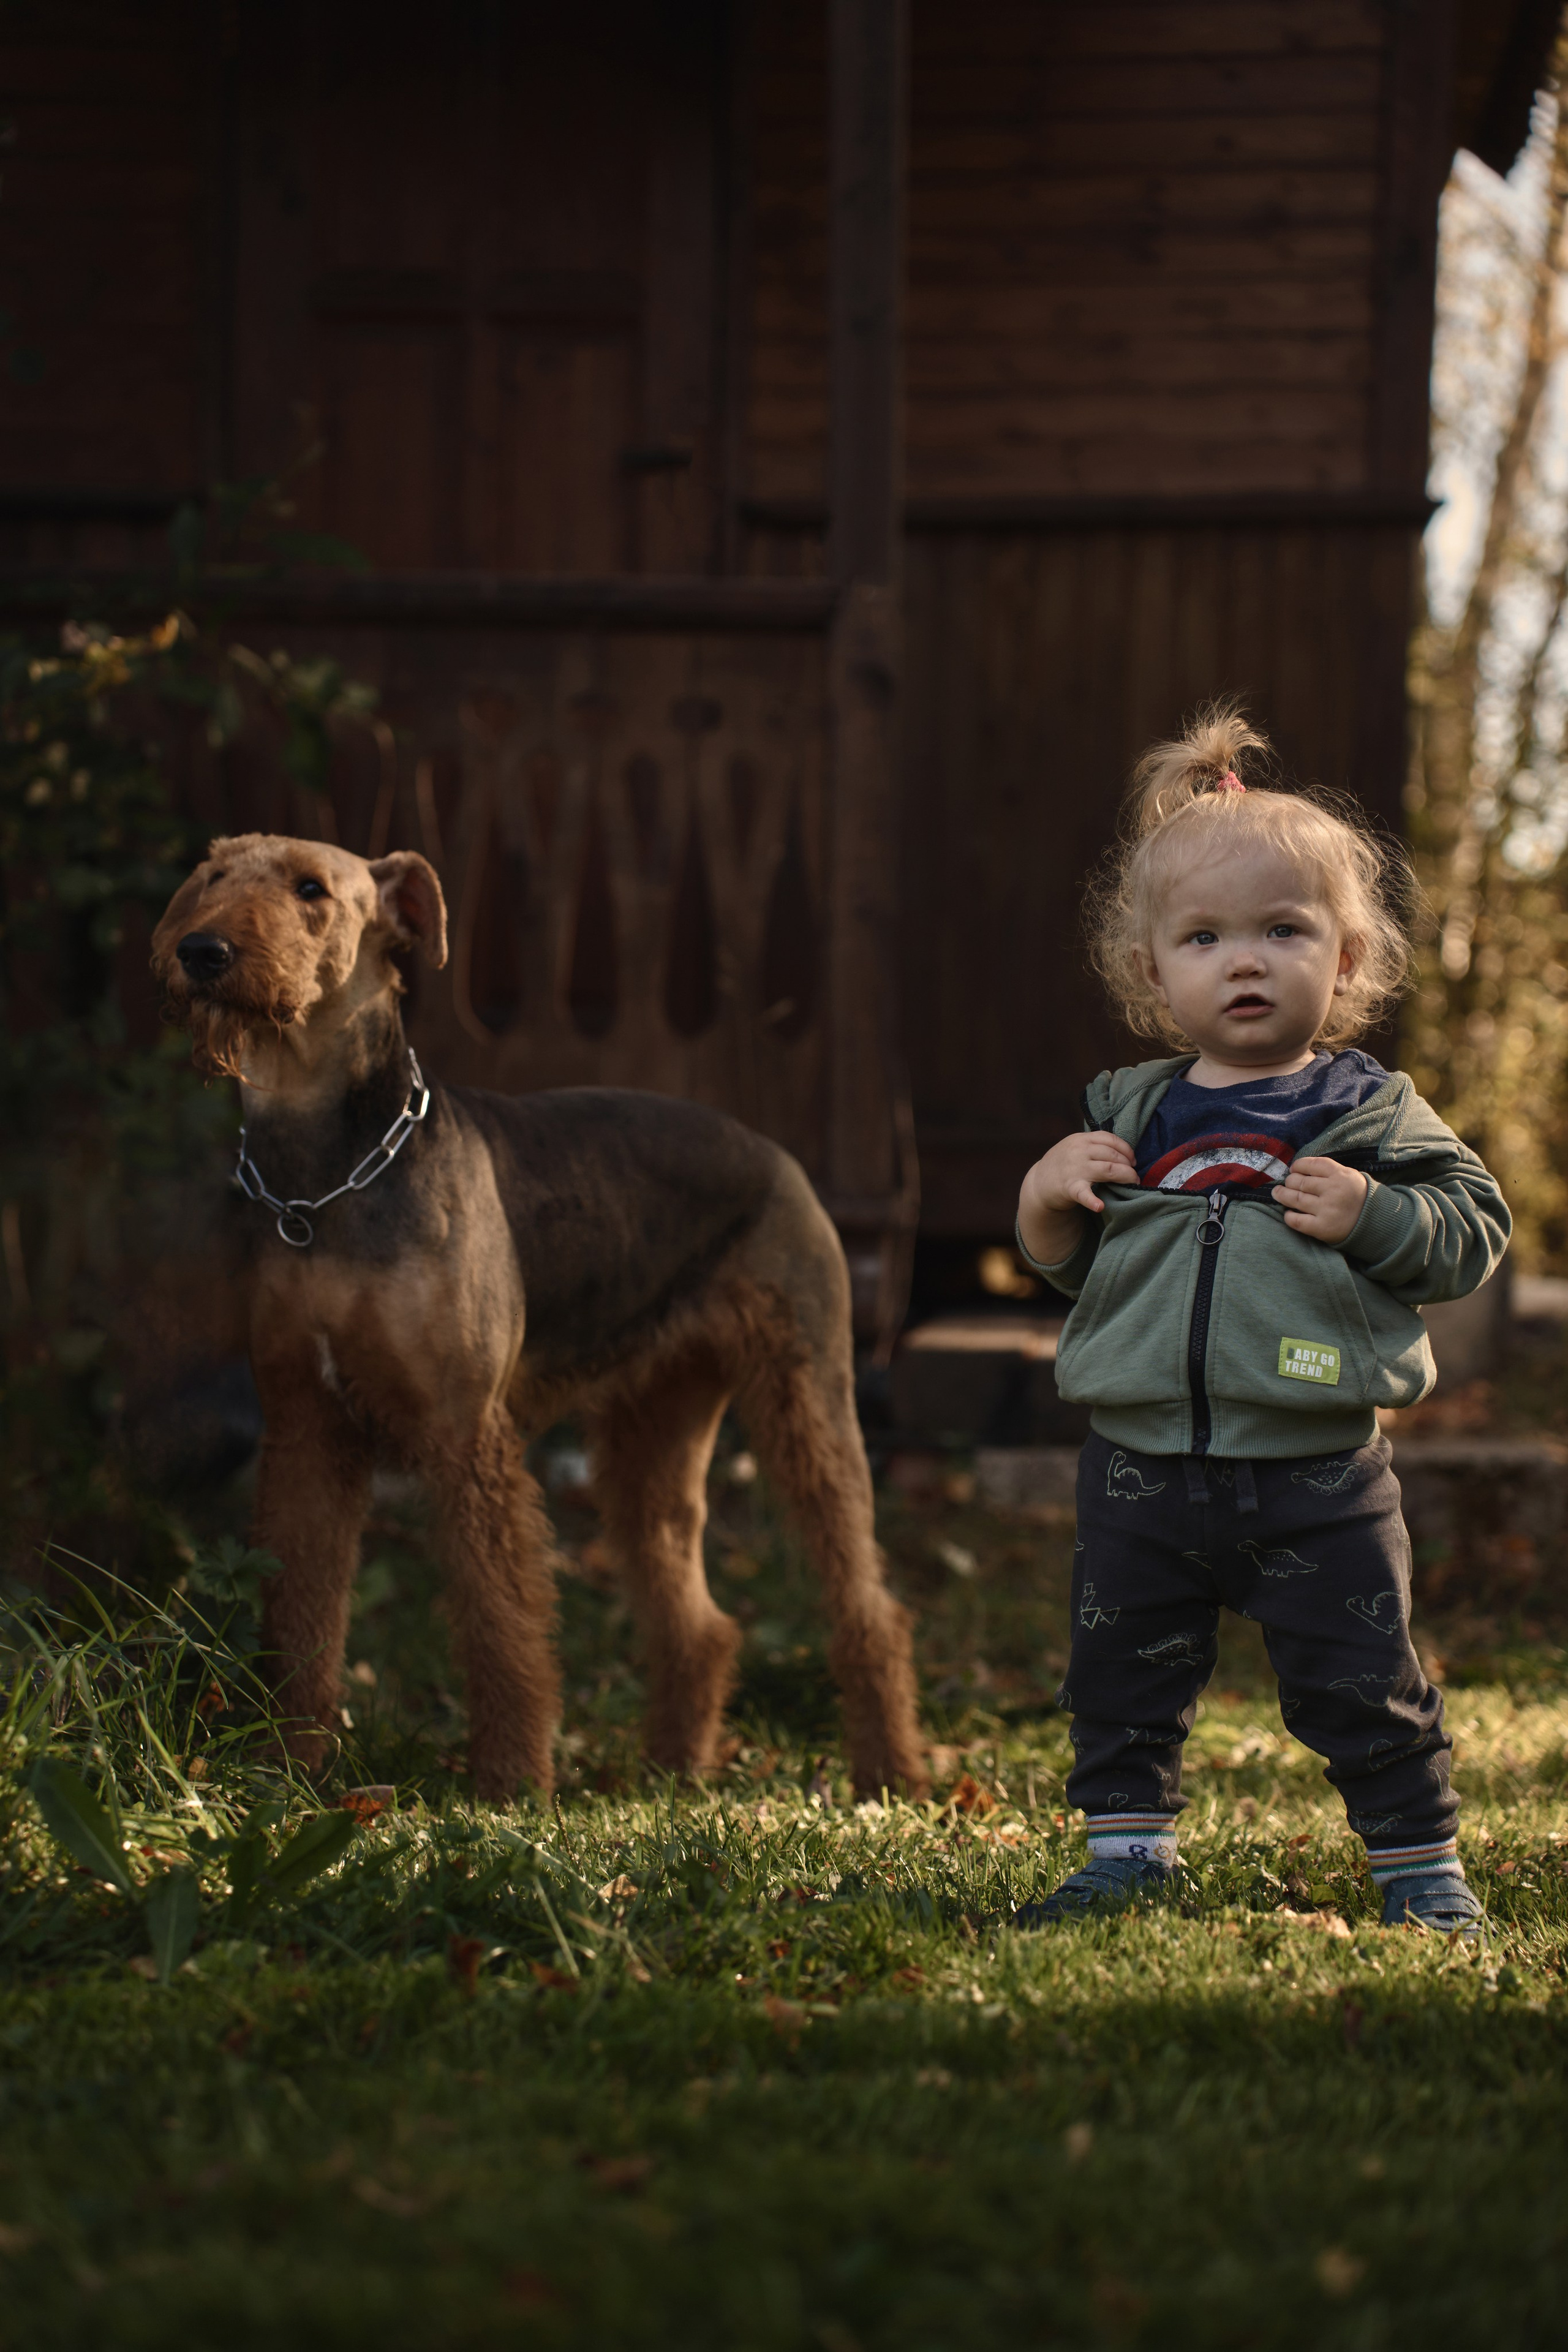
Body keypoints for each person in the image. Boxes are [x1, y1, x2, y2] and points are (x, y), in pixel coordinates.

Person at [1014, 707, 1509, 1934]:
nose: (1244, 961)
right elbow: (1099, 1283)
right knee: (1120, 1677)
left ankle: (1419, 1869)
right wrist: (1044, 1208)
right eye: (1205, 937)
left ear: (1343, 959)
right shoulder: (1128, 1117)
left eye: (1282, 930)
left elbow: (1472, 1228)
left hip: (1315, 1469)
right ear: (1153, 972)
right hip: (1139, 1467)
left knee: (1361, 1679)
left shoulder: (1369, 1113)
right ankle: (1127, 1856)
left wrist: (1373, 1213)